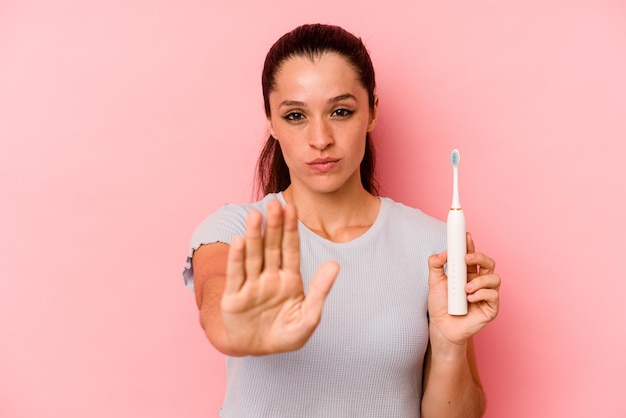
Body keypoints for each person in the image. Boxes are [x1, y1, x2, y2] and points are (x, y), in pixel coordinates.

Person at [182, 23, 500, 417]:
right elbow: (215, 299)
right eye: (296, 115)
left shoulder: (433, 247)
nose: (320, 138)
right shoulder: (233, 231)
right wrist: (235, 328)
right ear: (270, 121)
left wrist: (449, 344)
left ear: (371, 112)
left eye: (340, 111)